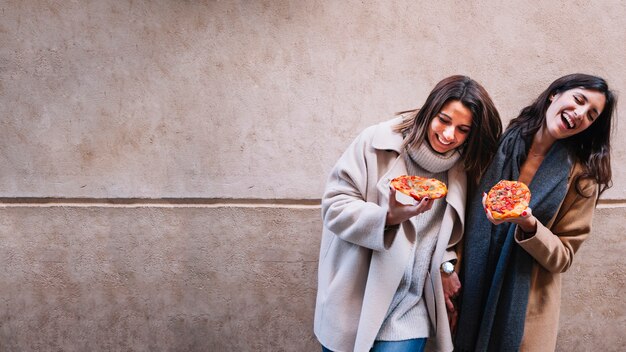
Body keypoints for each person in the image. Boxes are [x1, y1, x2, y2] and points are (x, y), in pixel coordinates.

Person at [314, 75, 502, 352]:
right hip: (357, 296)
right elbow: (334, 206)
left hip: (412, 306)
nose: (449, 135)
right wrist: (387, 218)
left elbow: (448, 239)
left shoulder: (464, 169)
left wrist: (447, 267)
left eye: (463, 129)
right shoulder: (376, 142)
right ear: (429, 111)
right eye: (444, 120)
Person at [454, 73, 617, 352]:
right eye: (578, 100)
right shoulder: (497, 146)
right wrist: (449, 271)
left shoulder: (581, 180)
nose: (579, 114)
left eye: (591, 115)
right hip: (469, 293)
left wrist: (530, 225)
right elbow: (459, 216)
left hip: (523, 314)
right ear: (555, 94)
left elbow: (563, 257)